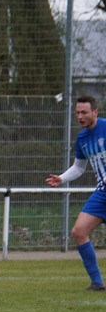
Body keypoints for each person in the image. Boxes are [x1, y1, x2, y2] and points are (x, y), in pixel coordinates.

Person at [46, 95, 106, 291]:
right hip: (102, 192)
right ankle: (97, 282)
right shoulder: (82, 138)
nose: (80, 116)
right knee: (79, 232)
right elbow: (79, 168)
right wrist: (62, 178)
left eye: (84, 112)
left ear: (95, 112)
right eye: (77, 112)